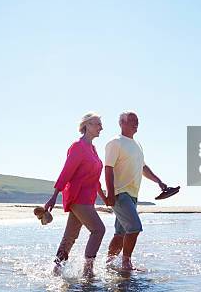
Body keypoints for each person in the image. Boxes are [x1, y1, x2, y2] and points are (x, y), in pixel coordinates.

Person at [44, 112, 107, 277]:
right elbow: (66, 172)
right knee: (98, 230)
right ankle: (88, 271)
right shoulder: (78, 147)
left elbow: (95, 179)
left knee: (70, 236)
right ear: (86, 125)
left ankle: (56, 269)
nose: (101, 127)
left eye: (100, 124)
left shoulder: (92, 149)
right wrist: (54, 196)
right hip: (78, 198)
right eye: (97, 124)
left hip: (88, 198)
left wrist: (105, 197)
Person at [104, 111, 168, 270]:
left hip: (133, 195)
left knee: (120, 233)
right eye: (132, 120)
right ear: (122, 123)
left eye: (137, 120)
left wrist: (158, 181)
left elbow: (143, 168)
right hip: (120, 194)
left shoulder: (137, 145)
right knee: (134, 227)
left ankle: (109, 263)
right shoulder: (115, 142)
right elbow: (108, 168)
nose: (136, 123)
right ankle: (126, 263)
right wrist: (110, 194)